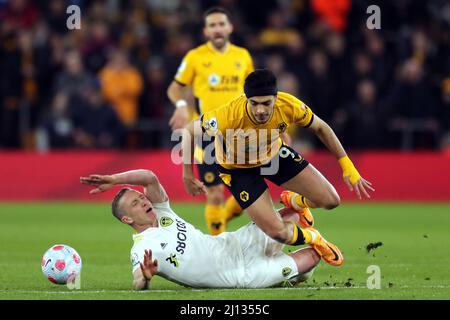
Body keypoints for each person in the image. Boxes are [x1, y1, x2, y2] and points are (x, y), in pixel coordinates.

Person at [182, 69, 375, 266]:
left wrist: (347, 165)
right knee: (277, 232)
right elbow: (189, 131)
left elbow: (321, 127)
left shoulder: (288, 104)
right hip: (237, 170)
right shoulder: (230, 114)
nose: (260, 110)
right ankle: (314, 239)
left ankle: (296, 201)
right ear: (246, 99)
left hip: (273, 156)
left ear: (276, 98)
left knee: (331, 200)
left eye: (266, 103)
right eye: (254, 103)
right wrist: (187, 174)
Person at [80, 169, 342, 290]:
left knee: (289, 216)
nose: (144, 201)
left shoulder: (163, 213)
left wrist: (114, 180)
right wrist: (147, 277)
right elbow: (137, 282)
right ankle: (291, 273)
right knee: (312, 256)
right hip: (241, 275)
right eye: (136, 204)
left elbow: (149, 177)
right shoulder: (142, 248)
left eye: (141, 198)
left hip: (234, 243)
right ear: (127, 220)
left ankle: (296, 201)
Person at [166, 7, 254, 235]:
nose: (217, 29)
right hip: (207, 132)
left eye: (221, 24)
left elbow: (253, 94)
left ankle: (221, 219)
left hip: (239, 130)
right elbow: (174, 88)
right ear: (206, 31)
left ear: (230, 27)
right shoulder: (195, 57)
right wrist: (182, 106)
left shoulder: (242, 56)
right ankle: (218, 243)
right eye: (212, 25)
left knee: (249, 189)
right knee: (214, 192)